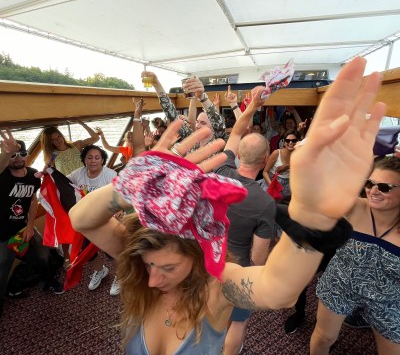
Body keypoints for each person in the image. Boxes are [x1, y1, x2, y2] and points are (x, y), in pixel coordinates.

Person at [69, 57, 386, 354]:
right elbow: (81, 219)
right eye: (150, 265)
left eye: (168, 268)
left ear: (197, 257)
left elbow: (278, 290)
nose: (151, 279)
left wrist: (313, 215)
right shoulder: (141, 267)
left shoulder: (217, 286)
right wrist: (130, 185)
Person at [310, 156, 400, 355]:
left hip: (389, 299)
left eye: (384, 187)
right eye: (370, 184)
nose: (373, 191)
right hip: (340, 284)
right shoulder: (354, 207)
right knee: (324, 337)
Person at [214, 87, 276, 354]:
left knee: (211, 311)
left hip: (209, 259)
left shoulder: (221, 170)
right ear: (265, 160)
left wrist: (252, 106)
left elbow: (236, 132)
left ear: (238, 153)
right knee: (237, 321)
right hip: (238, 268)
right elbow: (258, 257)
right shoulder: (266, 203)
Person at [0, 132, 64, 317]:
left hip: (24, 228)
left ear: (27, 155)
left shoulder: (32, 175)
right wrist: (6, 153)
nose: (18, 158)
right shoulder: (3, 175)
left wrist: (29, 227)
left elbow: (33, 200)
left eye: (22, 154)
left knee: (43, 255)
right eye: (13, 155)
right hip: (2, 234)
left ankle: (48, 281)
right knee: (2, 272)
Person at [40, 120, 99, 269]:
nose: (57, 140)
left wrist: (81, 123)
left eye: (58, 136)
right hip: (69, 192)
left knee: (91, 217)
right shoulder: (53, 155)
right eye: (53, 140)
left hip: (85, 186)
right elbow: (48, 171)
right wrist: (45, 171)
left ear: (62, 135)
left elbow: (95, 138)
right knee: (69, 222)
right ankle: (69, 255)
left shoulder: (76, 145)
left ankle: (94, 245)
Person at [67, 145, 118, 295]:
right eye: (89, 157)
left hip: (106, 218)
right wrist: (49, 172)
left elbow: (118, 194)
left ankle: (120, 276)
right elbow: (62, 182)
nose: (93, 161)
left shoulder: (110, 174)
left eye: (97, 158)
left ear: (102, 160)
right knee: (85, 250)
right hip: (86, 220)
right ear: (84, 160)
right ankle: (100, 270)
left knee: (111, 251)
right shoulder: (78, 174)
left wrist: (118, 210)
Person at [262, 129, 301, 197]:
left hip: (287, 192)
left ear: (298, 142)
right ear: (284, 142)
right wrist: (272, 186)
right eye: (287, 140)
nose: (290, 143)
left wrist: (287, 166)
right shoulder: (277, 153)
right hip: (271, 188)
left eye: (294, 140)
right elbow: (265, 172)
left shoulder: (299, 155)